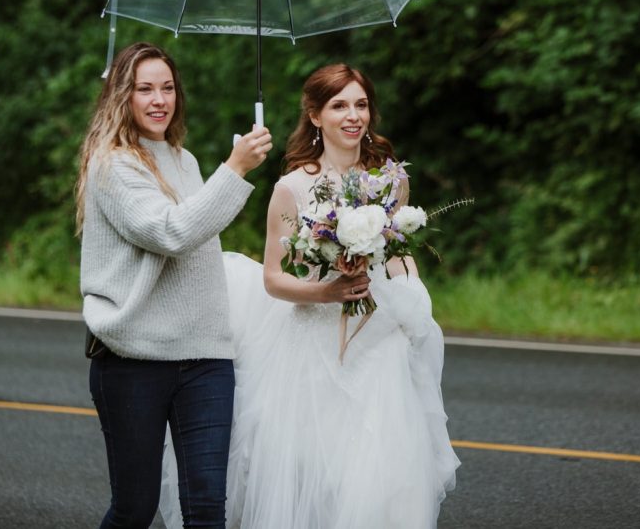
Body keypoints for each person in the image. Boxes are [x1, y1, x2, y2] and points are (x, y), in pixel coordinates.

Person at [159, 63, 459, 528]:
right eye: (339, 105)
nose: (353, 115)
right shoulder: (293, 187)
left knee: (381, 475)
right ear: (316, 115)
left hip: (378, 339)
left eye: (361, 104)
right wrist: (328, 291)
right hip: (311, 344)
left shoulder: (391, 180)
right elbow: (275, 279)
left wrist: (412, 299)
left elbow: (399, 254)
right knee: (316, 477)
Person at [76, 41, 272, 529]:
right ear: (123, 96)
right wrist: (236, 167)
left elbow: (197, 228)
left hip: (205, 358)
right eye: (145, 89)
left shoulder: (183, 160)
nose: (159, 99)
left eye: (167, 88)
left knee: (208, 508)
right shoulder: (113, 164)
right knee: (135, 509)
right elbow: (171, 232)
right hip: (133, 360)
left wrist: (225, 174)